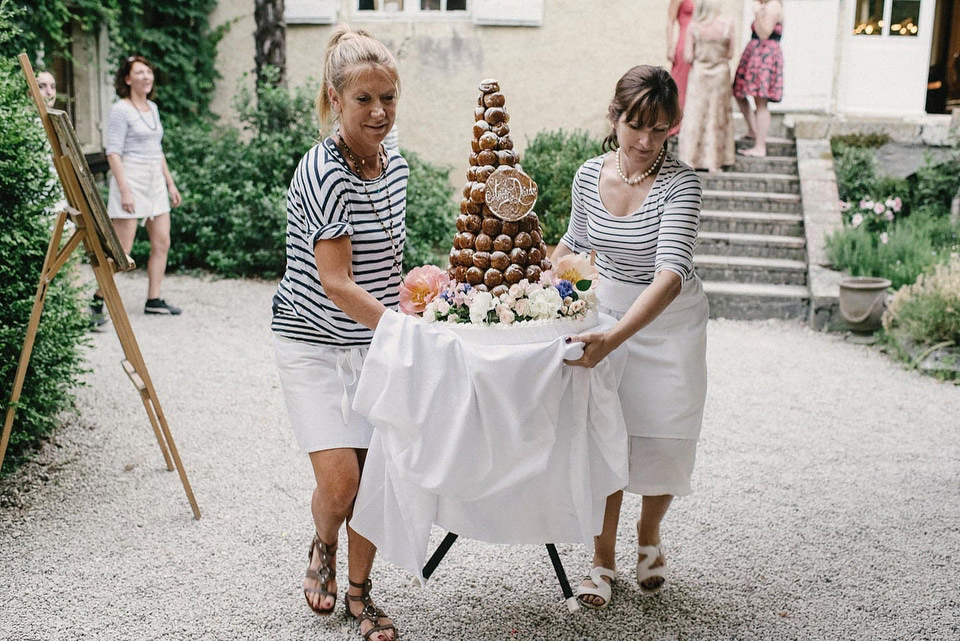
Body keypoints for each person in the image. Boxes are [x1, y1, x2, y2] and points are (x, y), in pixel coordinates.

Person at [552, 65, 708, 610]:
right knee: (604, 440)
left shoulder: (682, 183)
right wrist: (536, 295)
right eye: (635, 125)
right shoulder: (588, 174)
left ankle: (648, 535)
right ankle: (600, 563)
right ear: (614, 118)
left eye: (659, 129)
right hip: (608, 312)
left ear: (673, 127)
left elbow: (669, 274)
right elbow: (573, 246)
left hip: (669, 324)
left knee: (663, 438)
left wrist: (614, 337)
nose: (645, 142)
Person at [271, 26, 404, 641]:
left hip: (373, 342)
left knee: (375, 480)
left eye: (389, 98)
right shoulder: (322, 171)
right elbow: (338, 283)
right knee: (342, 484)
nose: (379, 112)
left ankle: (360, 592)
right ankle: (323, 543)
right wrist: (406, 330)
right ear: (334, 98)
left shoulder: (394, 161)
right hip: (313, 343)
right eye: (363, 101)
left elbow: (389, 263)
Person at [101, 55, 182, 316]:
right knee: (122, 251)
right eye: (139, 73)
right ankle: (97, 298)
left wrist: (170, 185)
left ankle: (154, 299)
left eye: (148, 72)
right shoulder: (120, 109)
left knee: (162, 242)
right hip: (130, 179)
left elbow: (157, 151)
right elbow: (113, 152)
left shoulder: (154, 108)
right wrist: (125, 190)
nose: (146, 77)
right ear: (127, 79)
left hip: (154, 182)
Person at [677, 0, 736, 172]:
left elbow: (688, 56)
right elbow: (731, 54)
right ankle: (715, 162)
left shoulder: (694, 26)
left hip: (700, 75)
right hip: (720, 74)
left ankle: (691, 159)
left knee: (696, 115)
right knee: (716, 116)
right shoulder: (727, 24)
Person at [733, 0, 784, 157]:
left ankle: (760, 146)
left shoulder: (773, 5)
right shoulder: (765, 6)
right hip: (756, 55)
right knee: (737, 91)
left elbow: (764, 33)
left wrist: (756, 12)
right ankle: (753, 130)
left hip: (765, 56)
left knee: (761, 101)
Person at [666, 0, 695, 137]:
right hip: (684, 43)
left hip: (701, 43)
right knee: (679, 84)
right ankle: (674, 123)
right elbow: (670, 21)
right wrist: (670, 46)